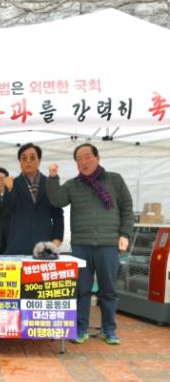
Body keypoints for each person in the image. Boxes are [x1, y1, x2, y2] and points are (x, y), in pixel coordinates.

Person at [46, 143, 133, 345]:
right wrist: (53, 177)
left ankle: (109, 329)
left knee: (108, 290)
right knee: (81, 289)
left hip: (108, 244)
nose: (83, 162)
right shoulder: (72, 185)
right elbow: (57, 200)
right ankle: (81, 328)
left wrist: (125, 233)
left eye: (87, 157)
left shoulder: (115, 180)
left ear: (97, 157)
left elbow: (127, 208)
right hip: (81, 244)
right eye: (78, 159)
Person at [2, 143, 64, 255]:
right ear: (20, 162)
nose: (28, 161)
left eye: (32, 157)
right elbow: (6, 210)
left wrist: (57, 238)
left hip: (44, 245)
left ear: (39, 160)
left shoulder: (50, 183)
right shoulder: (12, 183)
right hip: (18, 245)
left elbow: (58, 214)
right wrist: (9, 190)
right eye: (24, 158)